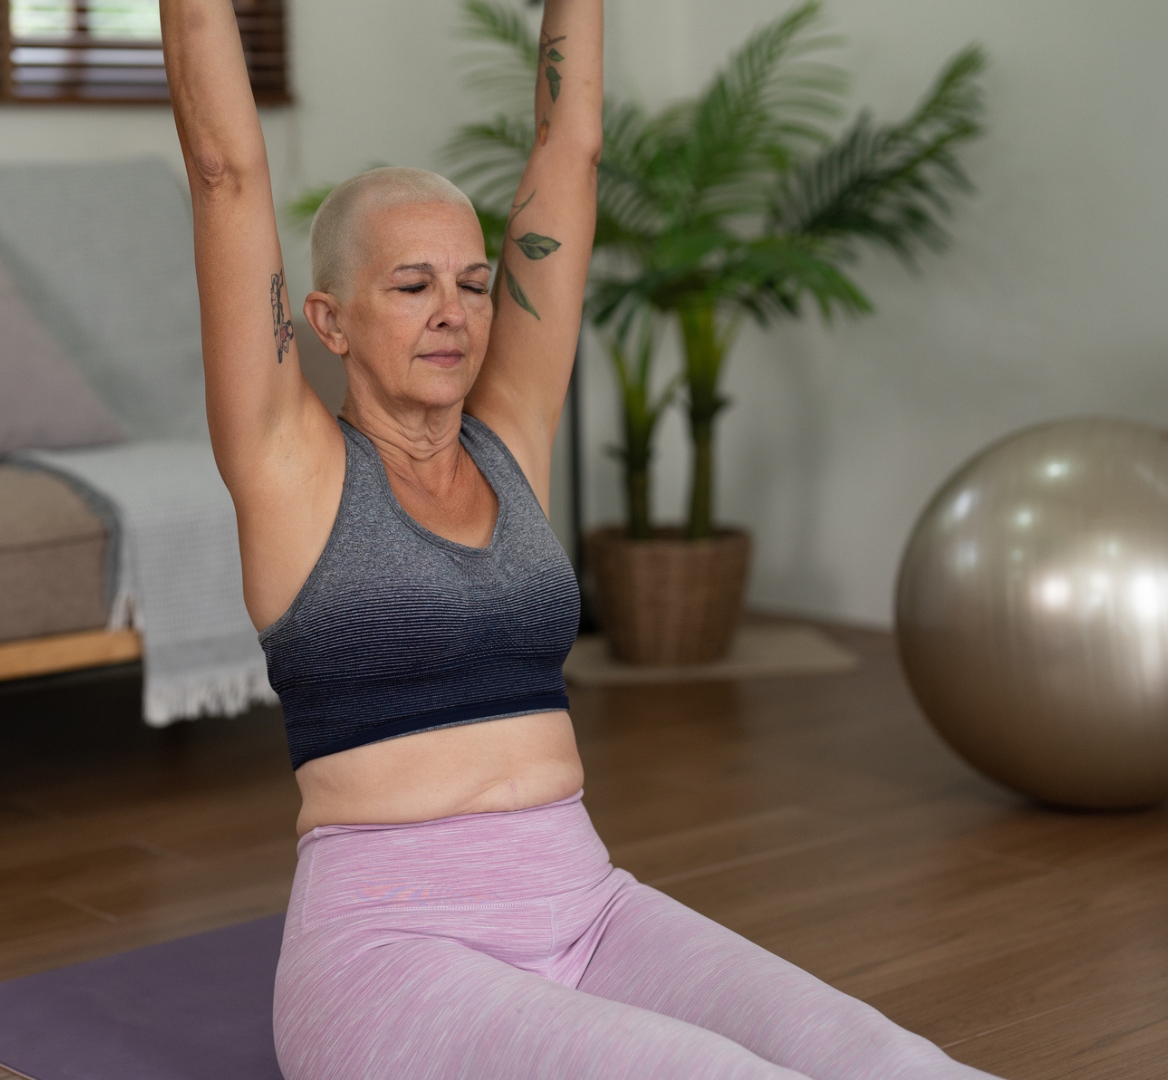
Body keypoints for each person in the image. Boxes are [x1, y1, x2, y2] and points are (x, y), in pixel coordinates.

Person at [160, 3, 999, 1077]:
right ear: (327, 322)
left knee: (889, 1060)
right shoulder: (291, 470)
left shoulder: (512, 435)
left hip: (590, 911)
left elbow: (569, 149)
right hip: (388, 953)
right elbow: (226, 169)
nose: (453, 312)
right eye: (411, 287)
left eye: (470, 284)